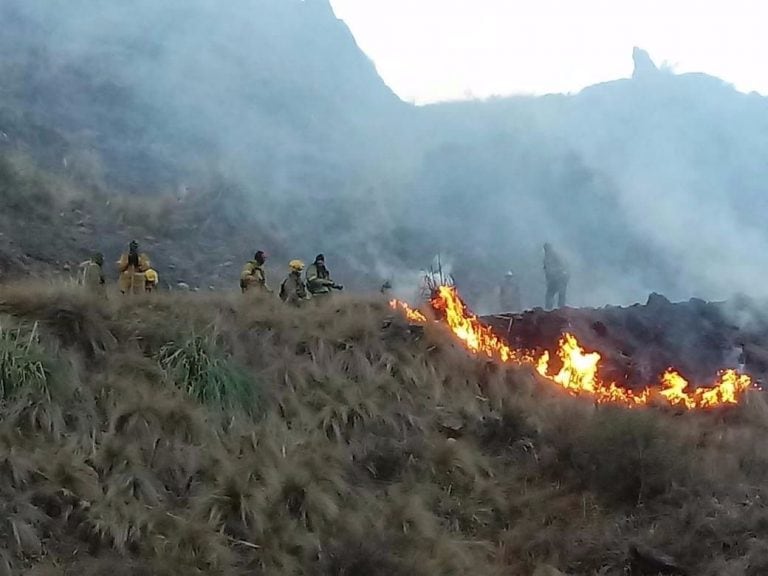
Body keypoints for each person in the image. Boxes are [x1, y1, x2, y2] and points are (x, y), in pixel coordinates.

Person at [543, 243, 569, 309]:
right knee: (550, 295)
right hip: (553, 279)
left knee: (561, 293)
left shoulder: (555, 255)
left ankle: (561, 309)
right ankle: (548, 309)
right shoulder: (546, 258)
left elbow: (562, 266)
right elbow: (546, 270)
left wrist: (557, 272)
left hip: (559, 278)